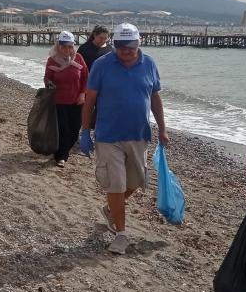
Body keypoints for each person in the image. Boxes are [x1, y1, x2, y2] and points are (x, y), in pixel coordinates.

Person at [79, 23, 168, 255]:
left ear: (139, 43)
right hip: (108, 136)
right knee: (116, 183)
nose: (125, 52)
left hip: (139, 134)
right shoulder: (101, 65)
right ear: (115, 45)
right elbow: (89, 100)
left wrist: (163, 128)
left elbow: (155, 97)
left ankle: (111, 208)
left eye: (130, 47)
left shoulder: (149, 64)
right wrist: (85, 131)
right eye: (120, 47)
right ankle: (121, 233)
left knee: (137, 181)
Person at [44, 31, 88, 168]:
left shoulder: (79, 58)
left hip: (76, 101)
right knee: (63, 130)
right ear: (58, 46)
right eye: (64, 47)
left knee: (75, 130)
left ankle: (63, 151)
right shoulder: (52, 60)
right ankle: (61, 156)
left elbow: (86, 77)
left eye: (70, 47)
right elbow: (47, 77)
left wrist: (82, 94)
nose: (67, 50)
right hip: (59, 101)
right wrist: (49, 84)